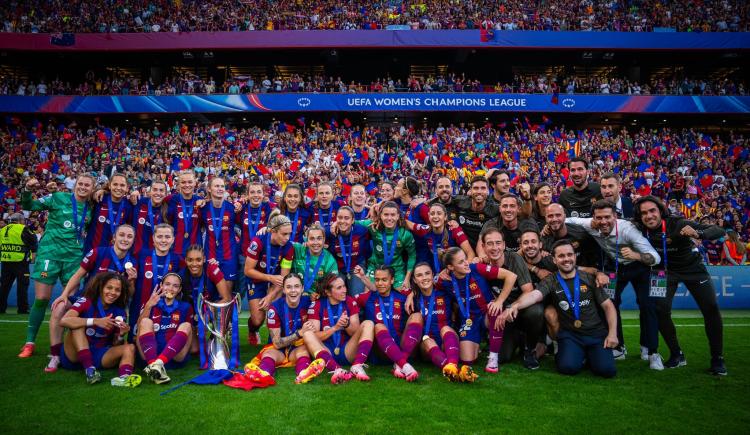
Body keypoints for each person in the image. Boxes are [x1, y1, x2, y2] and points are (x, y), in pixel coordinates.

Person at [634, 196, 727, 375]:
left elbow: (719, 230)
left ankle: (718, 358)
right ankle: (677, 354)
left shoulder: (677, 223)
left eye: (652, 211)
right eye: (644, 213)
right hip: (662, 271)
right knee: (659, 310)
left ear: (660, 211)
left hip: (692, 269)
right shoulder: (638, 228)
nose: (649, 216)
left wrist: (698, 234)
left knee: (711, 308)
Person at [566, 200, 664, 369]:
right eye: (599, 218)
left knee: (647, 305)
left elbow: (655, 257)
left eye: (607, 217)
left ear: (615, 216)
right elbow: (568, 220)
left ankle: (651, 351)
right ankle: (618, 347)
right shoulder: (590, 224)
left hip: (639, 266)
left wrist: (636, 255)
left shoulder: (627, 230)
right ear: (594, 218)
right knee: (609, 303)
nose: (603, 222)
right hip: (615, 268)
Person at [501, 240, 618, 378]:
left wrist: (612, 334)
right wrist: (515, 305)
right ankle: (578, 354)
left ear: (575, 257)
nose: (566, 259)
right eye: (561, 256)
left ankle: (590, 355)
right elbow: (534, 296)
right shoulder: (551, 280)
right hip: (571, 335)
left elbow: (608, 306)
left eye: (569, 255)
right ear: (554, 260)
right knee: (567, 368)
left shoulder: (589, 278)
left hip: (595, 334)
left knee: (607, 371)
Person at [18, 174, 94, 358]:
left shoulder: (92, 207)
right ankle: (29, 342)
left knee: (70, 301)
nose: (83, 187)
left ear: (92, 189)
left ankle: (67, 345)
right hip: (50, 254)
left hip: (74, 257)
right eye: (80, 184)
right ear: (75, 185)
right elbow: (29, 206)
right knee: (42, 298)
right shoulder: (58, 197)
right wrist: (28, 190)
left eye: (87, 185)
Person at [45, 224, 137, 372]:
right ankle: (55, 355)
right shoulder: (97, 252)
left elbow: (129, 293)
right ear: (114, 237)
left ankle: (95, 356)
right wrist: (64, 295)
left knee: (108, 331)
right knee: (60, 307)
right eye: (121, 235)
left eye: (129, 236)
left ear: (133, 241)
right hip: (86, 299)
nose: (125, 239)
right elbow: (78, 275)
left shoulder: (132, 262)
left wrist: (132, 280)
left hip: (109, 304)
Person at [437, 247, 517, 375]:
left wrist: (499, 301)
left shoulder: (476, 268)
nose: (466, 263)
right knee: (467, 360)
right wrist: (411, 295)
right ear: (450, 267)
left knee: (494, 308)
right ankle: (478, 344)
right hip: (469, 319)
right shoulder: (445, 279)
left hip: (487, 314)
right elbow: (430, 286)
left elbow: (511, 276)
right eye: (461, 262)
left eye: (465, 259)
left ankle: (493, 357)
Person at [58, 272, 141, 387]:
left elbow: (115, 344)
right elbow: (64, 320)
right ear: (101, 287)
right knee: (77, 324)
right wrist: (95, 321)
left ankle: (124, 378)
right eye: (109, 288)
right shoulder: (86, 301)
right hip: (75, 356)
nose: (113, 292)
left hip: (99, 354)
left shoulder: (120, 312)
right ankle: (90, 370)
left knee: (130, 347)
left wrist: (121, 335)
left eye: (117, 290)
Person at [244, 273, 329, 384]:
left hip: (297, 347)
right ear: (283, 290)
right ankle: (264, 374)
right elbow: (277, 343)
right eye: (289, 287)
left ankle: (304, 373)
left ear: (302, 289)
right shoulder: (274, 308)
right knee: (268, 354)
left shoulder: (309, 302)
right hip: (278, 348)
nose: (293, 290)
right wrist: (300, 333)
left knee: (303, 352)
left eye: (297, 286)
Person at [478, 226, 542, 369]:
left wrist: (510, 307)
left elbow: (528, 290)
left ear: (504, 245)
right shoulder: (481, 266)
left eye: (498, 243)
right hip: (502, 316)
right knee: (502, 357)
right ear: (483, 246)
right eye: (490, 243)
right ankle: (517, 338)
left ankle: (530, 349)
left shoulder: (514, 259)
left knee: (536, 311)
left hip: (521, 309)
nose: (495, 248)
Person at [355, 265, 420, 381]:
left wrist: (412, 294)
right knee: (379, 326)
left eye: (384, 280)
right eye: (377, 280)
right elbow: (346, 300)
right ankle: (404, 366)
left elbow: (424, 287)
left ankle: (400, 363)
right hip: (380, 351)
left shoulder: (402, 297)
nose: (380, 283)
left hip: (402, 347)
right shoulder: (367, 297)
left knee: (417, 316)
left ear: (392, 280)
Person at [306, 273, 375, 382]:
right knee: (307, 334)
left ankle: (357, 365)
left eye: (344, 286)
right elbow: (315, 336)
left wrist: (346, 325)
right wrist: (335, 327)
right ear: (328, 292)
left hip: (347, 350)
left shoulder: (349, 301)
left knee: (368, 323)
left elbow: (355, 332)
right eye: (339, 288)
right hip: (326, 351)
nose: (344, 290)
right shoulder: (317, 305)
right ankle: (337, 370)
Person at [244, 211, 294, 345]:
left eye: (289, 234)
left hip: (276, 282)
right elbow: (248, 270)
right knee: (257, 320)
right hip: (257, 279)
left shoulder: (288, 248)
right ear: (273, 231)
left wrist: (270, 297)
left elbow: (283, 278)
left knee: (274, 310)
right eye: (284, 234)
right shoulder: (258, 242)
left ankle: (272, 342)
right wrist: (269, 277)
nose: (287, 238)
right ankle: (252, 329)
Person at [136, 273, 193, 384]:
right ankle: (154, 365)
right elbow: (139, 327)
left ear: (180, 289)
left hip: (174, 357)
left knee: (187, 325)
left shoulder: (185, 306)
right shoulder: (151, 303)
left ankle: (158, 364)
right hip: (149, 355)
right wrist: (149, 305)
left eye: (175, 286)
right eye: (167, 284)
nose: (171, 288)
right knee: (145, 321)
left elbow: (188, 335)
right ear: (161, 285)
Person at [410, 263, 463, 381]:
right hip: (426, 347)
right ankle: (452, 369)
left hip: (447, 342)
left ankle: (451, 366)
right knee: (427, 340)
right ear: (414, 279)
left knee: (446, 328)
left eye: (427, 273)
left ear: (433, 275)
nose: (424, 278)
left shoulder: (444, 292)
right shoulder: (413, 299)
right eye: (419, 275)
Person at [131, 223, 184, 333]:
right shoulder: (141, 254)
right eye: (159, 237)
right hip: (140, 306)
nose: (163, 240)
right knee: (137, 339)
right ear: (153, 238)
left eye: (167, 237)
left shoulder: (178, 260)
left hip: (164, 311)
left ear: (173, 239)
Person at [361, 201, 416, 291]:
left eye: (393, 215)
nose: (389, 218)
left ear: (398, 216)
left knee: (404, 293)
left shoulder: (405, 234)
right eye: (386, 214)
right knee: (367, 292)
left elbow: (412, 256)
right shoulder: (373, 226)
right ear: (380, 215)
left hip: (396, 269)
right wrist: (336, 223)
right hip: (375, 266)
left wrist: (407, 278)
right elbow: (353, 222)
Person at [405, 202, 474, 274]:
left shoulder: (454, 230)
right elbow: (410, 224)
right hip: (437, 273)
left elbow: (471, 254)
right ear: (428, 217)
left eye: (439, 213)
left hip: (455, 271)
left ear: (445, 217)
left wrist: (460, 270)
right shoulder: (425, 229)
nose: (435, 216)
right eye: (432, 214)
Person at [200, 177, 239, 289]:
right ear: (209, 189)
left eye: (222, 186)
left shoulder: (233, 208)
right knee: (211, 294)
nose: (220, 188)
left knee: (226, 294)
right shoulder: (203, 208)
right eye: (216, 186)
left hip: (229, 256)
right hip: (210, 255)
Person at [326, 206, 371, 295]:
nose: (342, 221)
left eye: (346, 218)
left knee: (356, 296)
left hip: (356, 266)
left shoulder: (362, 231)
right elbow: (314, 238)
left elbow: (376, 221)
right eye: (340, 218)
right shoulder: (330, 232)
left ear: (353, 220)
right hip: (337, 268)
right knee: (335, 293)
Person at [84, 173, 133, 254]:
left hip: (113, 254)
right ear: (110, 186)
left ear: (127, 188)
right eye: (115, 184)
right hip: (91, 251)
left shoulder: (129, 205)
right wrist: (100, 190)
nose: (118, 188)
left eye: (122, 185)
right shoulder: (99, 198)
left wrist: (136, 193)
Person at [0, 212, 37, 314]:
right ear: (21, 220)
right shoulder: (23, 229)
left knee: (4, 286)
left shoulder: (2, 230)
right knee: (22, 286)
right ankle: (22, 309)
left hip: (5, 261)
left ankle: (1, 308)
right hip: (20, 262)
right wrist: (33, 255)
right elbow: (33, 241)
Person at [447, 176, 498, 248]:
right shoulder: (461, 202)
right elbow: (444, 199)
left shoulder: (495, 209)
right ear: (470, 190)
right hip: (464, 250)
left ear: (488, 191)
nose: (479, 191)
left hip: (485, 251)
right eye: (476, 188)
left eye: (483, 188)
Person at [291, 223, 339, 294]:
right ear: (306, 240)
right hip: (295, 295)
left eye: (319, 238)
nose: (315, 242)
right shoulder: (298, 249)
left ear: (324, 240)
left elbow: (332, 287)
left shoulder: (330, 261)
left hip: (317, 299)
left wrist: (319, 295)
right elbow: (283, 241)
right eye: (312, 239)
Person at [165, 170, 202, 255]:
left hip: (195, 252)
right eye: (183, 182)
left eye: (190, 182)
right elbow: (155, 200)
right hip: (176, 250)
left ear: (195, 183)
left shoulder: (200, 202)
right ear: (179, 184)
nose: (187, 185)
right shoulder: (171, 199)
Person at [131, 180, 168, 256]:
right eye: (155, 190)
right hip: (136, 254)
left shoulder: (169, 209)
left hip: (157, 256)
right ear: (150, 192)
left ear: (166, 194)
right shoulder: (139, 202)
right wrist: (104, 190)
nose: (158, 193)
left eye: (161, 190)